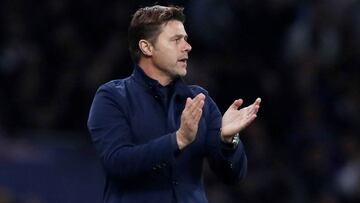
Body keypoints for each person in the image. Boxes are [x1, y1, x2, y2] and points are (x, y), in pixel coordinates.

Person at [87, 5, 261, 203]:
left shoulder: (199, 100)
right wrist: (177, 141)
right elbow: (117, 163)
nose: (187, 47)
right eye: (176, 40)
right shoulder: (112, 97)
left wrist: (228, 141)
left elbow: (232, 176)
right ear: (147, 47)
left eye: (185, 39)